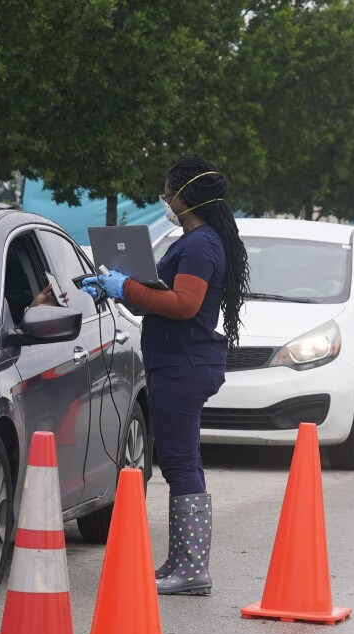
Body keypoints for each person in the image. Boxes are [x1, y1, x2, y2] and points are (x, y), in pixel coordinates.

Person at [82, 156, 250, 594]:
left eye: (167, 193)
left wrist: (126, 288)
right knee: (183, 460)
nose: (165, 201)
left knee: (179, 462)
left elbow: (184, 304)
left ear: (183, 196)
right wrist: (119, 288)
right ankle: (183, 564)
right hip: (178, 361)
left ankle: (192, 569)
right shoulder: (197, 240)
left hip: (183, 365)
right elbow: (163, 300)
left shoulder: (199, 244)